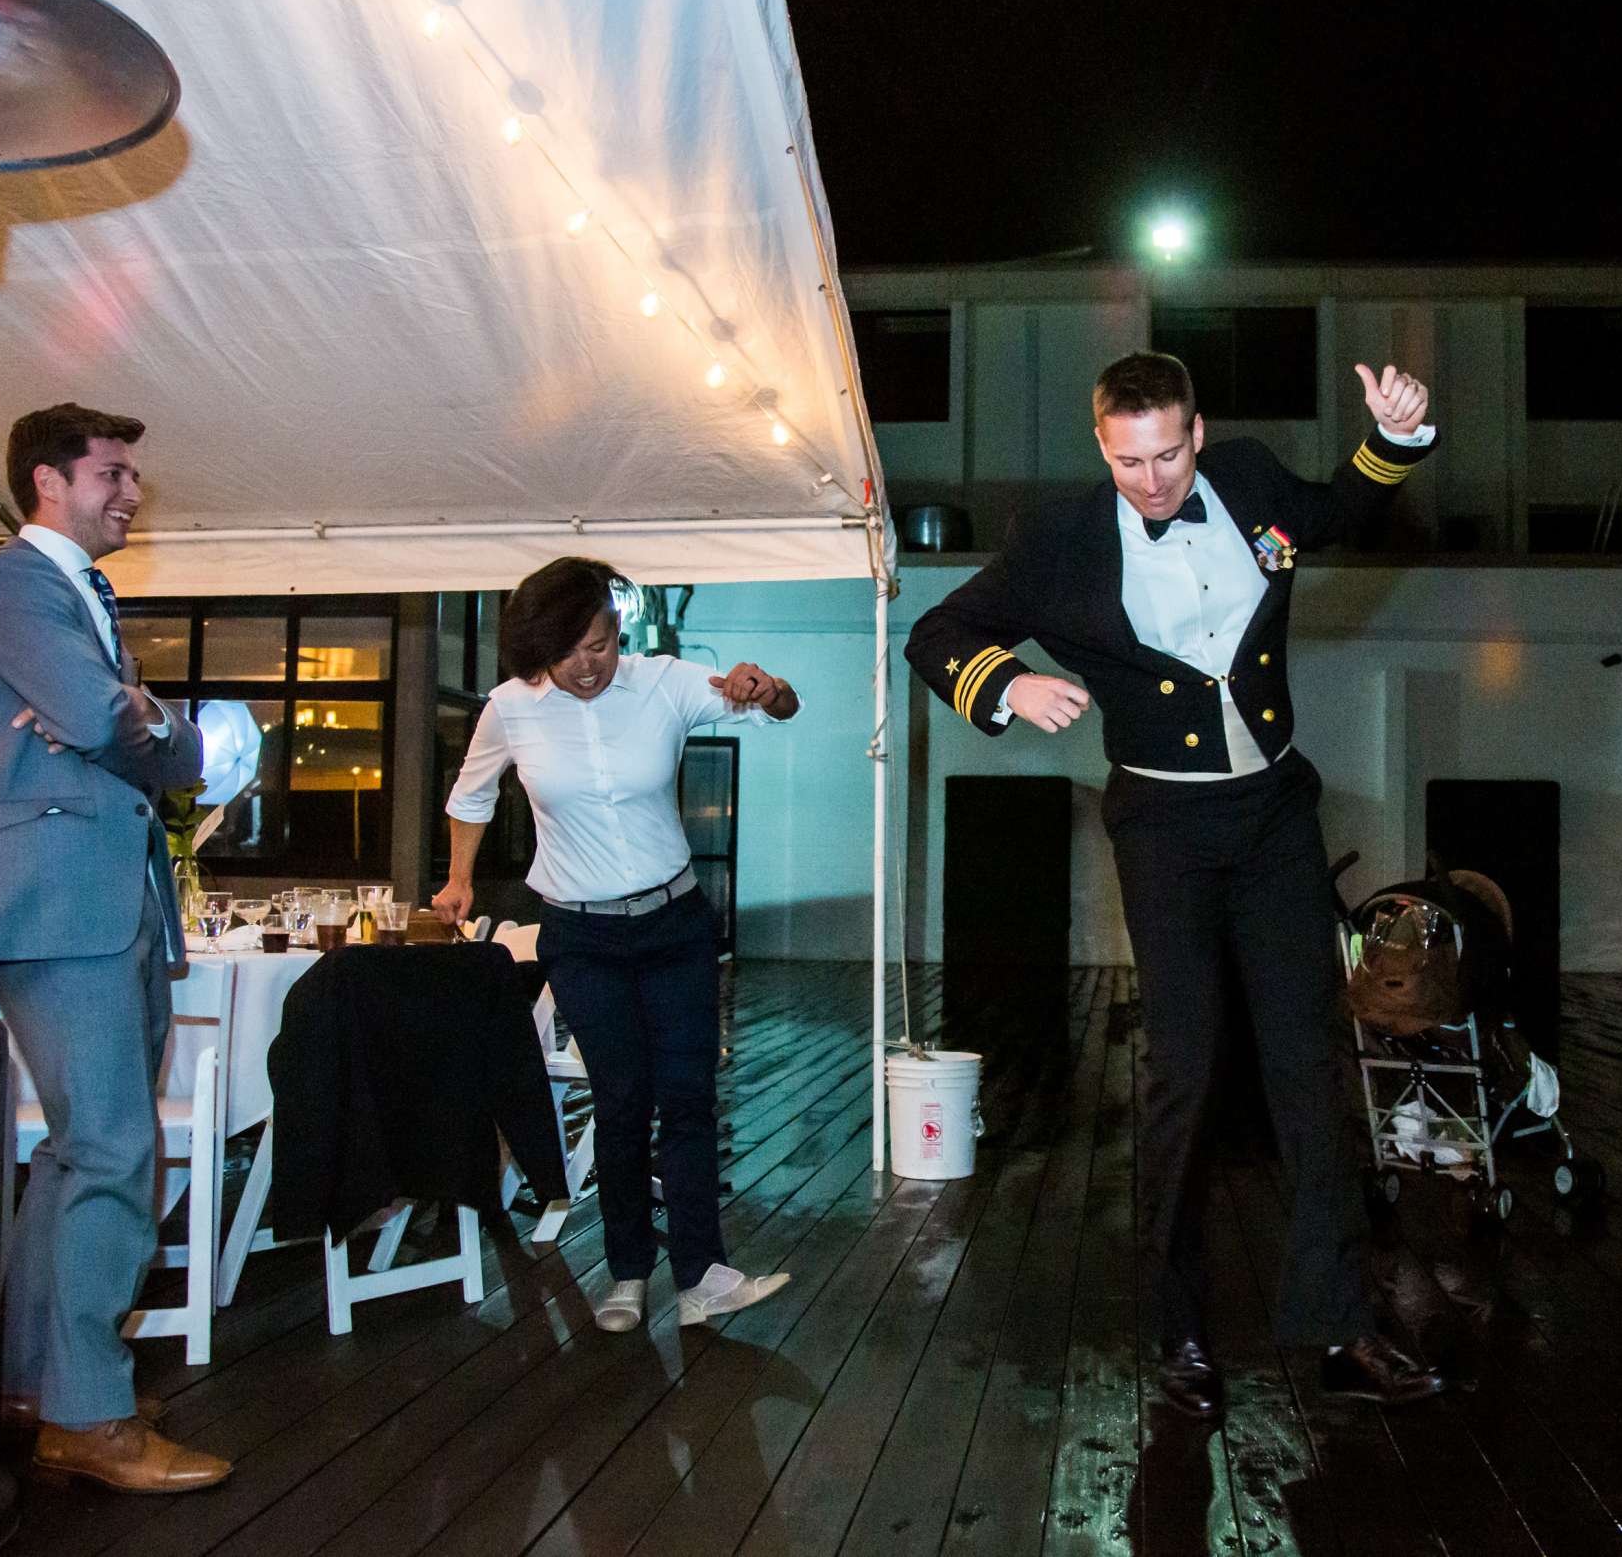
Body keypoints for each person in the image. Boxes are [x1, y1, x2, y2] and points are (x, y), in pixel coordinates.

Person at [904, 349, 1446, 1421]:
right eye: (1127, 462)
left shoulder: (1246, 481)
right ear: (1101, 447)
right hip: (1165, 827)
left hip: (1277, 813)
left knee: (1310, 1063)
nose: (1151, 482)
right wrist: (1006, 683)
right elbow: (938, 633)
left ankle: (1341, 1324)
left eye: (1166, 455)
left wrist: (1390, 438)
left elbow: (1338, 509)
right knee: (1185, 1074)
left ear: (1197, 433)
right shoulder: (1060, 541)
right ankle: (1177, 1333)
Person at [0, 404, 225, 1492]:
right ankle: (92, 1419)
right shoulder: (16, 584)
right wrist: (135, 720)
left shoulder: (73, 596)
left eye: (132, 475)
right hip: (62, 906)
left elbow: (148, 736)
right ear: (48, 482)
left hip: (98, 901)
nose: (132, 493)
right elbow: (113, 728)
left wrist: (146, 720)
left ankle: (32, 1389)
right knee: (112, 1149)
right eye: (112, 473)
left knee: (72, 1152)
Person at [433, 557, 800, 1335]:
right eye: (567, 653)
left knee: (688, 1096)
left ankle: (703, 1274)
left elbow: (780, 707)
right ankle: (629, 1271)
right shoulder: (510, 707)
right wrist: (460, 876)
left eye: (598, 643)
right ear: (537, 652)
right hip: (583, 934)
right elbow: (469, 794)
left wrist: (762, 687)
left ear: (616, 626)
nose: (586, 664)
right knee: (623, 1099)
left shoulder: (664, 681)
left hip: (674, 926)